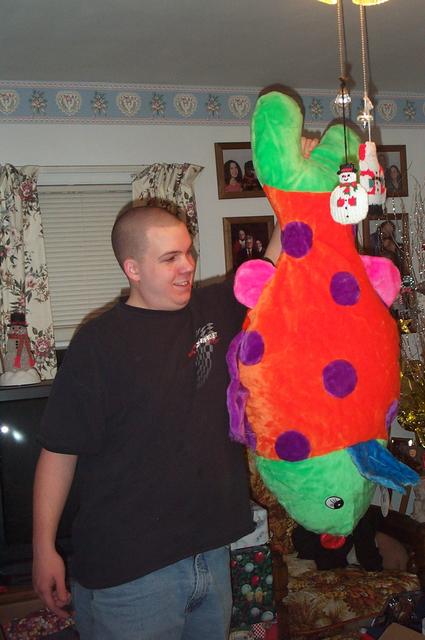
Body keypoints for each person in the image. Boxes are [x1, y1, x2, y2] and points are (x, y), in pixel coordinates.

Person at [32, 204, 281, 640]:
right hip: (132, 574)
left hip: (212, 554)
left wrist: (296, 189)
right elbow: (58, 454)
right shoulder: (98, 344)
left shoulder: (213, 310)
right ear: (133, 269)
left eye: (188, 252)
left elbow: (274, 264)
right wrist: (42, 548)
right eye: (170, 258)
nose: (188, 266)